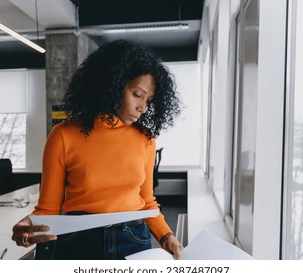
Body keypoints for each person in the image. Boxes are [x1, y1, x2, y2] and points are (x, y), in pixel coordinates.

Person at [11, 39, 183, 260]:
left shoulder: (145, 140)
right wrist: (28, 228)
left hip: (133, 240)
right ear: (113, 84)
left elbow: (147, 202)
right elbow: (48, 210)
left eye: (148, 100)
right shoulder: (63, 135)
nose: (143, 107)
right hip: (79, 242)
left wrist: (166, 235)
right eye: (137, 95)